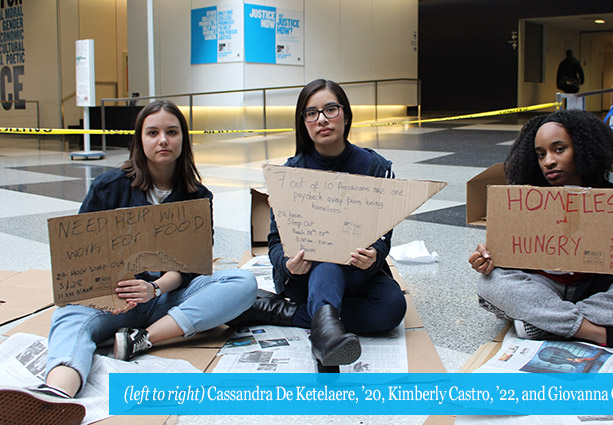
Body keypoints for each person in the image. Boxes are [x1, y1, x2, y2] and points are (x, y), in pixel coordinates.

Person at [0, 100, 257, 425]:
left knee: (242, 282)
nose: (163, 140)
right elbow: (81, 255)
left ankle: (142, 339)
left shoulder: (197, 196)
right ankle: (55, 397)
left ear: (183, 140)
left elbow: (189, 266)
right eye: (153, 132)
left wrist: (153, 288)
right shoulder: (108, 187)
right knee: (67, 316)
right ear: (140, 140)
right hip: (111, 300)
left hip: (166, 299)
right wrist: (108, 295)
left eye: (171, 132)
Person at [468, 110, 613, 351]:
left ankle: (547, 325)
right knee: (490, 283)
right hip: (543, 287)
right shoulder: (526, 193)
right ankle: (601, 334)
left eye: (559, 149)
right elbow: (509, 254)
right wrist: (488, 257)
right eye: (540, 155)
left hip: (597, 291)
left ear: (583, 147)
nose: (548, 161)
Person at [228, 79, 407, 368]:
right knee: (328, 255)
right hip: (308, 277)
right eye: (311, 113)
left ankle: (284, 314)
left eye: (330, 109)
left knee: (392, 308)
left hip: (359, 274)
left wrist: (374, 254)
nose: (321, 119)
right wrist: (287, 266)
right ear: (304, 123)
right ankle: (327, 337)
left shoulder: (376, 167)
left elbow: (384, 236)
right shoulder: (291, 172)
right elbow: (275, 240)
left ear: (346, 116)